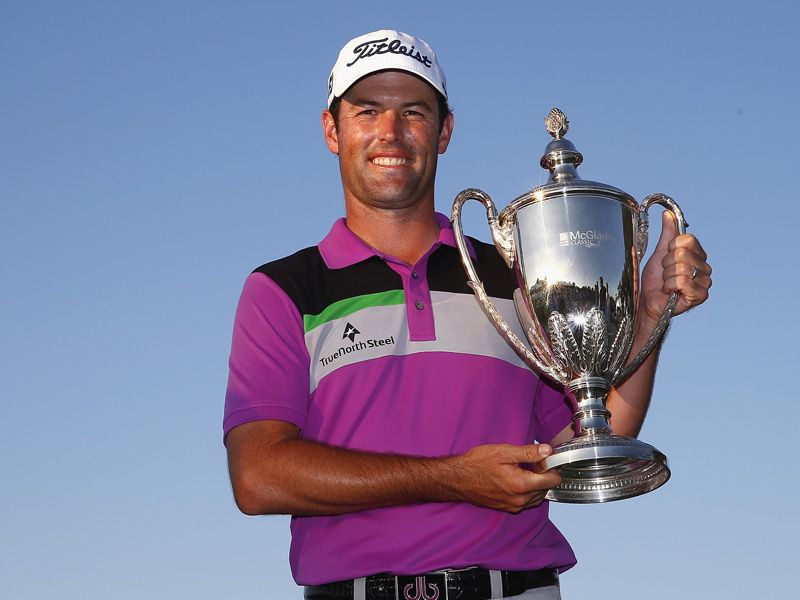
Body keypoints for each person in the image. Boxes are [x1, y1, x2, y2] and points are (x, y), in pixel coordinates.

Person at [223, 30, 712, 600]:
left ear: (444, 131)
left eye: (414, 112)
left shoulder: (513, 276)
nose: (391, 133)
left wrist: (651, 314)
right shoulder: (282, 289)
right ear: (333, 130)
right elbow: (258, 476)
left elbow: (592, 436)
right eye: (367, 111)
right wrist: (452, 479)